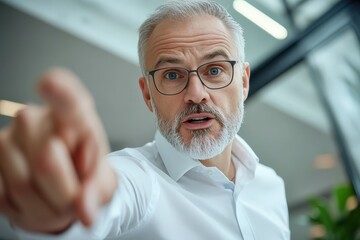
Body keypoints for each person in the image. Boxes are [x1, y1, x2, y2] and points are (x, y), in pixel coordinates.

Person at [0, 0, 290, 239]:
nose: (196, 94)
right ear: (148, 94)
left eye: (214, 70)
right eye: (173, 75)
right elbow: (106, 200)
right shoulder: (137, 182)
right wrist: (61, 215)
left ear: (243, 82)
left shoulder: (271, 185)